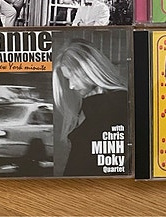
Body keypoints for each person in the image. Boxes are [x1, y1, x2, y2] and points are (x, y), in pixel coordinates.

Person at [53, 41, 129, 176]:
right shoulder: (95, 104)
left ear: (88, 70)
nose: (71, 86)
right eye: (67, 79)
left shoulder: (110, 106)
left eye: (73, 77)